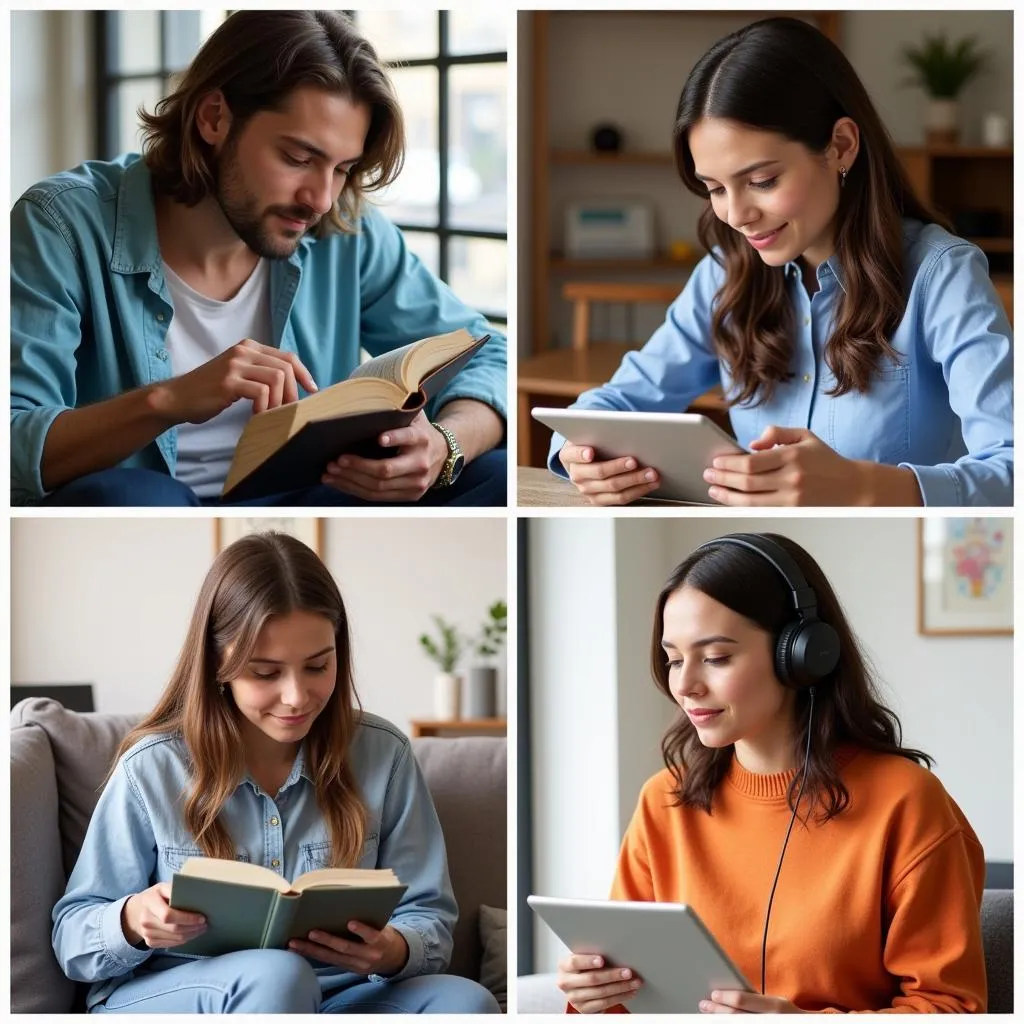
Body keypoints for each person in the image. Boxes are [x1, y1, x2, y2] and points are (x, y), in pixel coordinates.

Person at [12, 11, 506, 507]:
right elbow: (13, 439)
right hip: (144, 517)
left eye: (342, 169)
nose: (321, 200)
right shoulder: (62, 224)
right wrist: (169, 400)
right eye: (297, 158)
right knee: (130, 496)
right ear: (214, 118)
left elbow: (489, 356)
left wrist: (446, 447)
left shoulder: (347, 230)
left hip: (301, 500)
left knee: (497, 476)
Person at [550, 17, 1012, 507]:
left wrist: (860, 487)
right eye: (713, 189)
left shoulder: (942, 274)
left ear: (841, 146)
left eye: (763, 181)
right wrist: (577, 455)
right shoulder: (724, 273)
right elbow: (616, 402)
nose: (737, 215)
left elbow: (1009, 465)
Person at [52, 532, 500, 1014]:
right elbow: (72, 935)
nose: (296, 696)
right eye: (265, 673)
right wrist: (134, 918)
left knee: (467, 1002)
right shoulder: (152, 767)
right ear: (218, 663)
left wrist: (394, 950)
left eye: (317, 666)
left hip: (339, 993)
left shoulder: (383, 755)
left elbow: (428, 914)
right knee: (277, 976)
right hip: (177, 992)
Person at [557, 532, 986, 1013]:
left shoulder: (907, 802)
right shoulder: (664, 801)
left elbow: (952, 1008)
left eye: (716, 658)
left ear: (801, 654)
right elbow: (636, 998)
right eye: (674, 659)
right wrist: (596, 994)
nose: (686, 685)